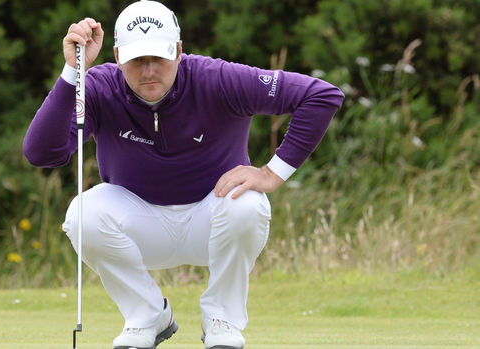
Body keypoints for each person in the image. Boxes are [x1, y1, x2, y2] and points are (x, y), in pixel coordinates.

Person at [23, 1, 344, 348]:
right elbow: (43, 153)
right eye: (136, 60)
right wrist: (74, 72)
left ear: (178, 51)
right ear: (116, 56)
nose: (148, 71)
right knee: (82, 212)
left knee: (248, 201)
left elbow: (320, 95)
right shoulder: (99, 87)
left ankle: (222, 320)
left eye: (158, 58)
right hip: (139, 225)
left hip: (214, 220)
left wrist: (273, 173)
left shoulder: (218, 79)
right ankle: (147, 316)